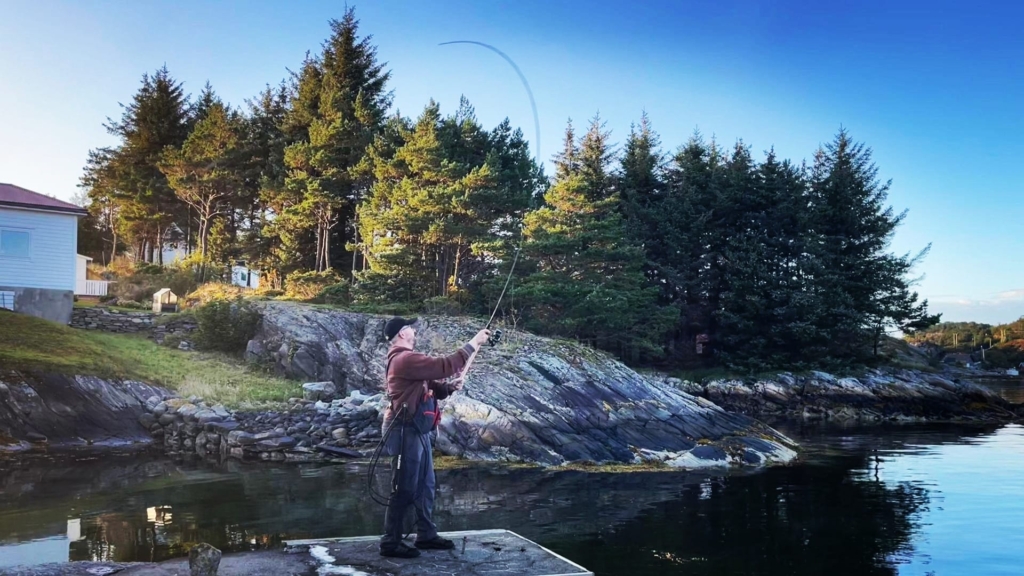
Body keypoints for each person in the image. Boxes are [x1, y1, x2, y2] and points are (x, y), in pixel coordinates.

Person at [378, 316, 491, 559]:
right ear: (401, 334)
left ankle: (426, 535)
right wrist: (474, 342)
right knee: (404, 487)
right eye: (409, 327)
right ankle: (390, 543)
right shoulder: (404, 359)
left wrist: (449, 387)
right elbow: (446, 365)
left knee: (426, 485)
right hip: (404, 430)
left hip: (418, 430)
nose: (414, 330)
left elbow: (433, 386)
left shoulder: (408, 360)